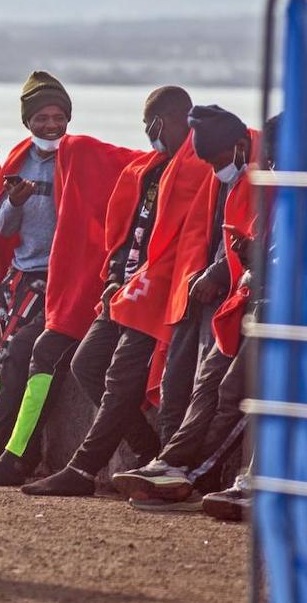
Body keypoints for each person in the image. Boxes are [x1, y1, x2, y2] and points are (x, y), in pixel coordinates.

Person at [23, 85, 211, 497]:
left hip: (158, 295)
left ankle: (82, 469)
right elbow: (128, 235)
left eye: (149, 125)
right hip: (124, 291)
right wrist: (112, 279)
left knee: (121, 375)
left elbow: (193, 241)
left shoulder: (200, 169)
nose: (148, 133)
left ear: (164, 121)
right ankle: (148, 450)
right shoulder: (151, 169)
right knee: (86, 363)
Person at [0, 76, 139, 484]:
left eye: (59, 117)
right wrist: (14, 204)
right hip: (23, 278)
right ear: (27, 121)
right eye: (42, 118)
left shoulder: (81, 157)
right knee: (5, 357)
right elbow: (1, 227)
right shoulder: (18, 161)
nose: (51, 125)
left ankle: (15, 456)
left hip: (66, 283)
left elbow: (132, 166)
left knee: (28, 350)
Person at [111, 107, 264, 512]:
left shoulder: (270, 184)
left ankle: (192, 476)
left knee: (231, 395)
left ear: (241, 147)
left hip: (262, 308)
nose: (215, 171)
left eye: (217, 162)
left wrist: (234, 265)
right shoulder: (238, 180)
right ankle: (171, 462)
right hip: (238, 303)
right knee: (204, 384)